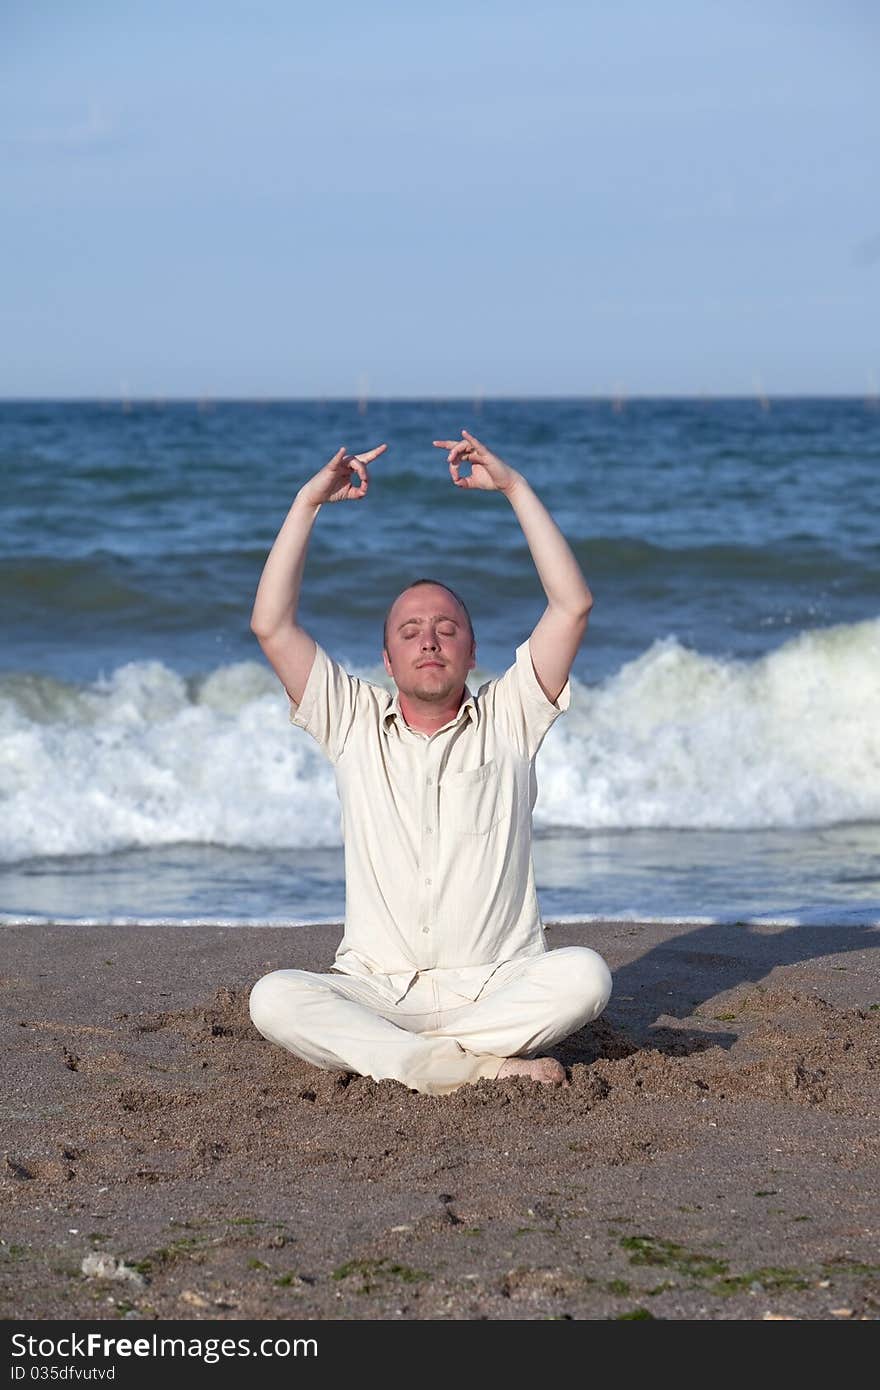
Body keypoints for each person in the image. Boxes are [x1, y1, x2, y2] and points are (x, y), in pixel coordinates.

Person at [247, 428, 612, 1096]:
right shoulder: (352, 722)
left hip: (499, 986)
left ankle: (418, 1062)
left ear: (473, 654)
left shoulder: (510, 717)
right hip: (378, 990)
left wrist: (514, 487)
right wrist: (308, 504)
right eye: (410, 633)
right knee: (273, 997)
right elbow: (272, 625)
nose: (430, 641)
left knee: (587, 975)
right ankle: (480, 1067)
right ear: (387, 662)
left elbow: (573, 605)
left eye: (447, 629)